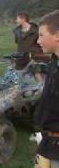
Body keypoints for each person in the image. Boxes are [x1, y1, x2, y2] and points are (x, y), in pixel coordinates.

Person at [34, 10, 59, 168]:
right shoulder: (54, 63)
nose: (37, 41)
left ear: (57, 35)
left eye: (41, 35)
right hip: (48, 143)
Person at [13, 12, 49, 81]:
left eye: (17, 19)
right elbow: (17, 42)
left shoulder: (36, 30)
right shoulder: (16, 31)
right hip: (22, 56)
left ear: (23, 19)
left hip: (35, 55)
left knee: (36, 71)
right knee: (21, 75)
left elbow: (41, 41)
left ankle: (42, 88)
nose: (16, 21)